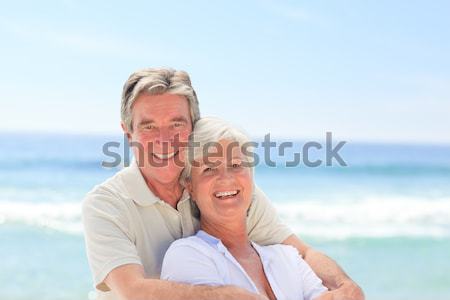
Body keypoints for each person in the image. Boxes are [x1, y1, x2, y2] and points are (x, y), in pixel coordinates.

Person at [82, 68, 364, 300]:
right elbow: (133, 290)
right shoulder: (106, 205)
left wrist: (343, 285)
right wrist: (223, 296)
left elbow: (301, 252)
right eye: (149, 126)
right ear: (128, 133)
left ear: (194, 126)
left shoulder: (224, 191)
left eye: (177, 124)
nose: (165, 139)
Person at [161, 117, 329, 300]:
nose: (226, 178)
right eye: (209, 168)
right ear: (190, 187)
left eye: (236, 165)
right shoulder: (186, 255)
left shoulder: (288, 257)